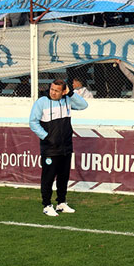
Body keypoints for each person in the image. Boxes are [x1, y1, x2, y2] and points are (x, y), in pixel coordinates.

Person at [28, 79, 89, 217]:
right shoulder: (41, 102)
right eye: (52, 89)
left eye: (56, 90)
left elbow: (83, 105)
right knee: (48, 177)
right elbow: (33, 122)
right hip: (50, 148)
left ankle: (61, 203)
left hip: (66, 146)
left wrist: (71, 94)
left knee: (63, 177)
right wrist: (47, 137)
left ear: (63, 91)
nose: (53, 93)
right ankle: (47, 205)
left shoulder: (67, 100)